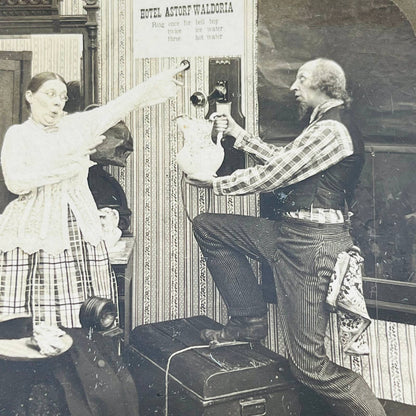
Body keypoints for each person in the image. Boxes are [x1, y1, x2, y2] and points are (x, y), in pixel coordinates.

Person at [189, 58, 387, 416]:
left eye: (302, 80)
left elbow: (277, 174)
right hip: (288, 233)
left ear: (324, 87)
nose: (294, 87)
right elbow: (289, 160)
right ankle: (249, 321)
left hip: (312, 247)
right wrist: (239, 135)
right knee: (208, 226)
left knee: (309, 367)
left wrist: (216, 183)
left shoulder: (331, 130)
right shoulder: (323, 124)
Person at [0, 67, 182, 415]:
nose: (56, 103)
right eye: (49, 94)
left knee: (85, 330)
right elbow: (18, 182)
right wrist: (69, 164)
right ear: (29, 96)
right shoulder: (18, 136)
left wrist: (159, 81)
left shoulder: (74, 127)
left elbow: (120, 105)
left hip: (79, 232)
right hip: (34, 234)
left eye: (62, 98)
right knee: (36, 333)